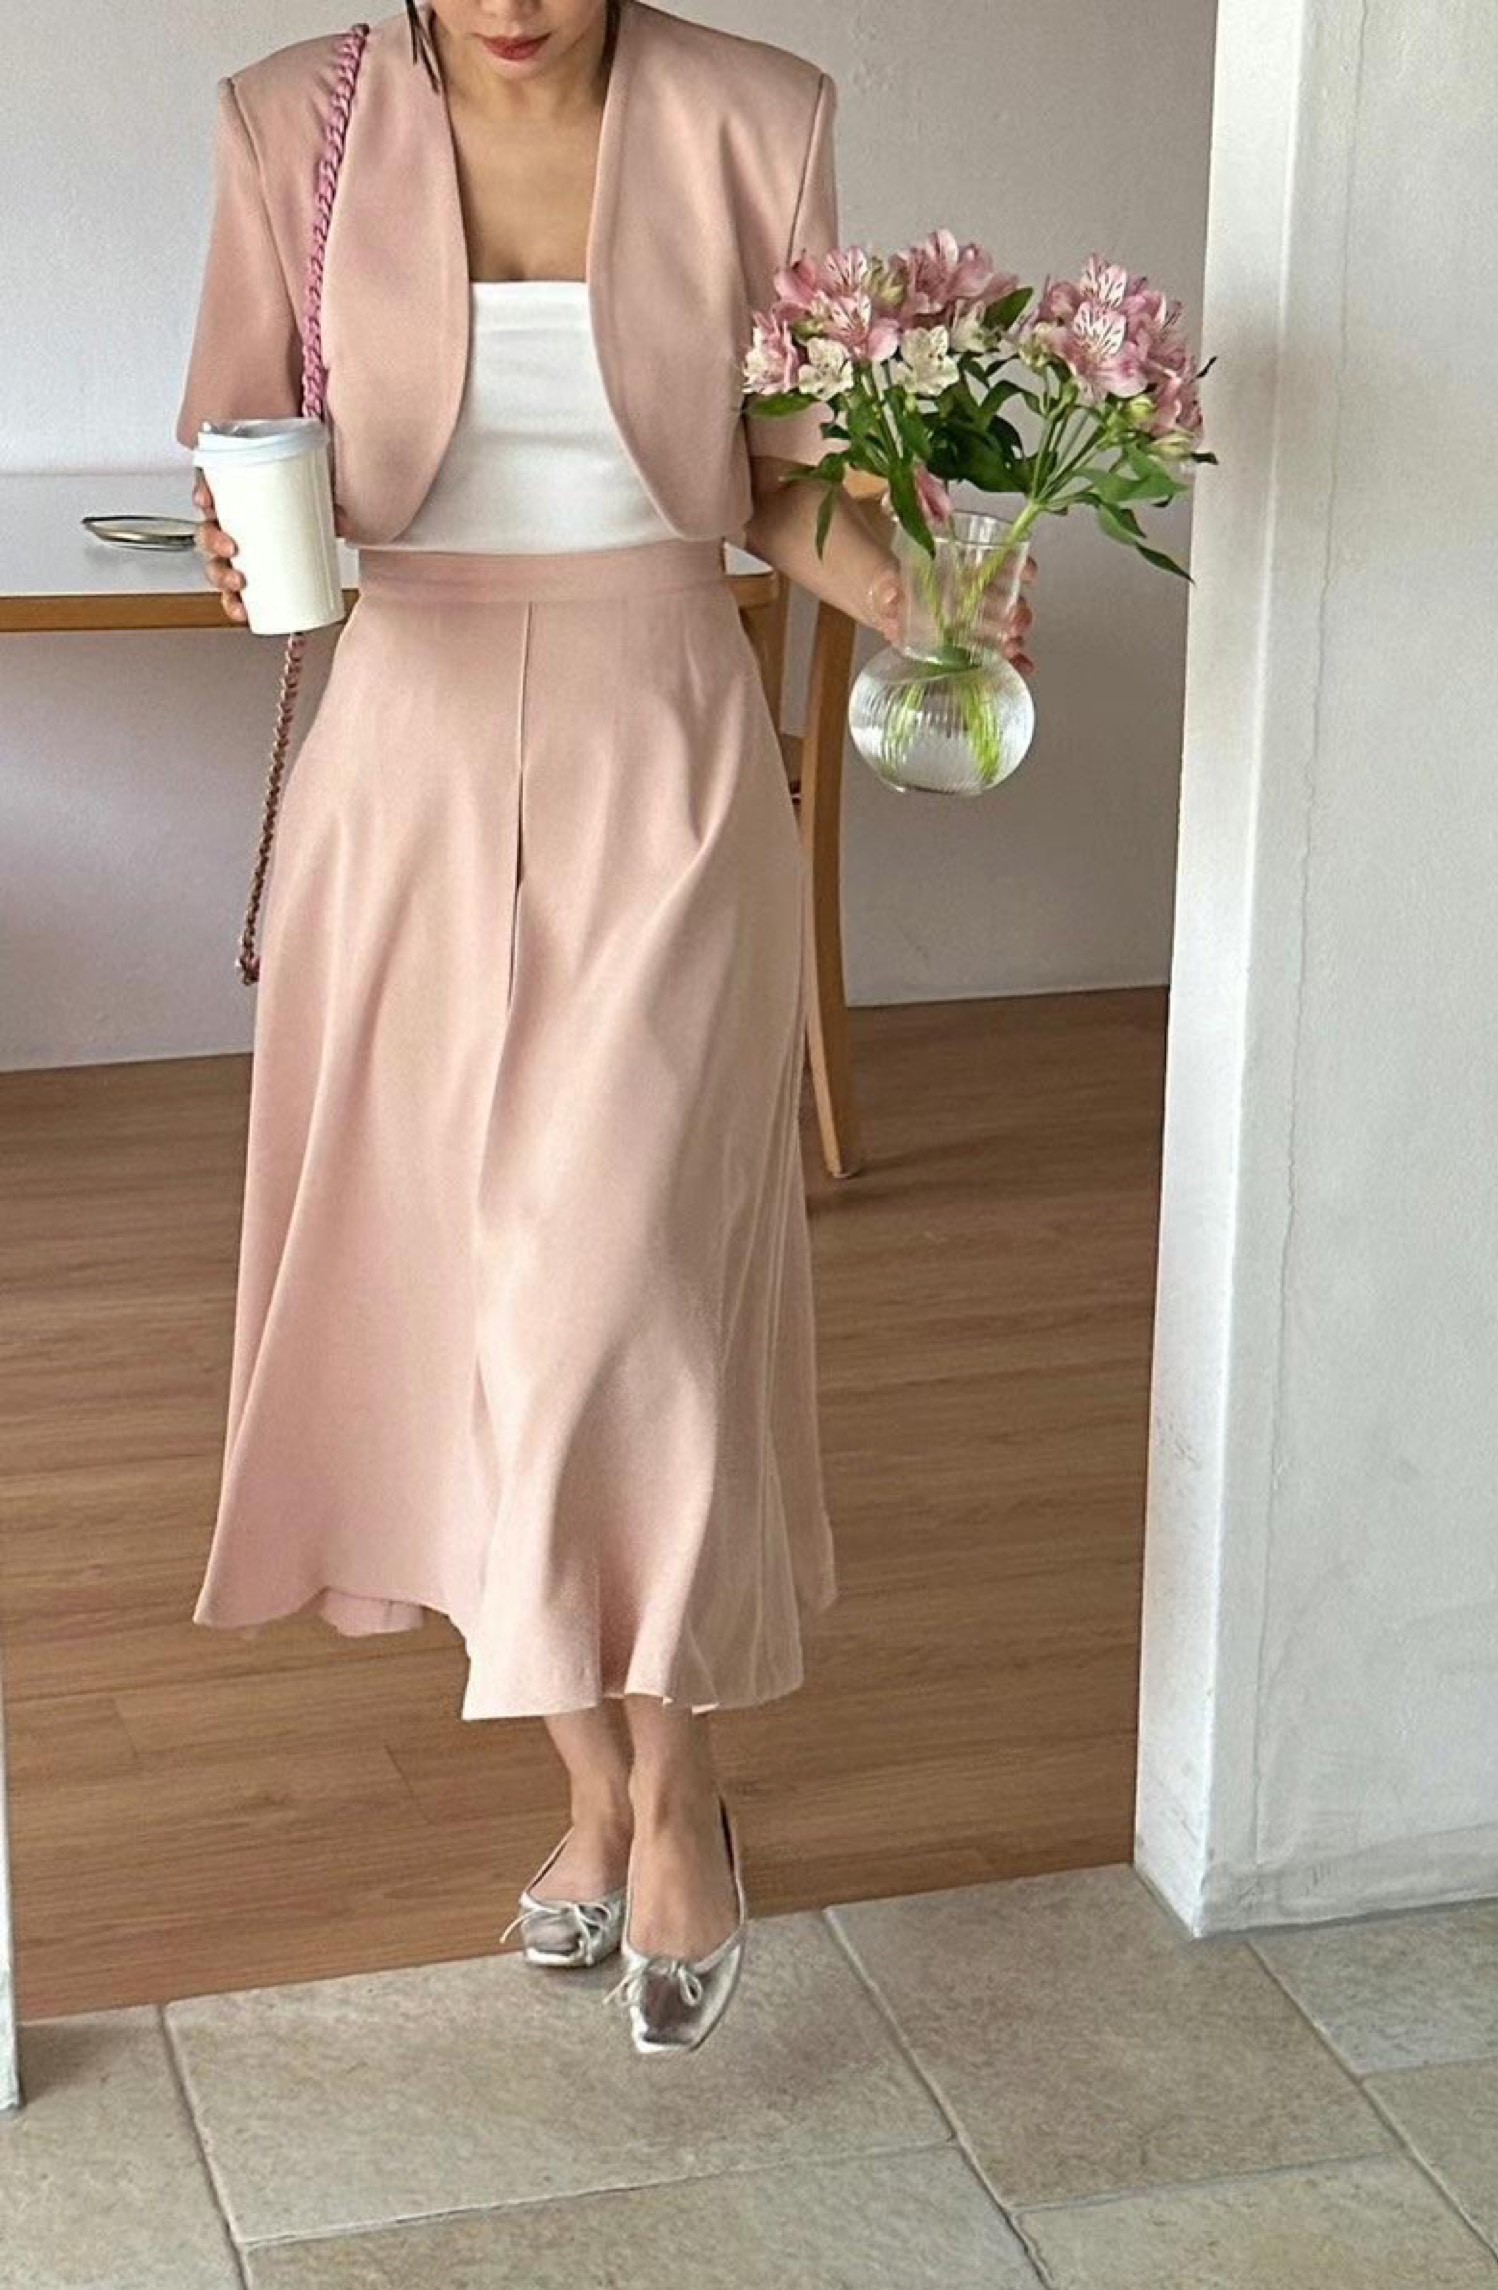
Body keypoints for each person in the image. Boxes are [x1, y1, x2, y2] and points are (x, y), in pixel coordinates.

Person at [178, 0, 1038, 2055]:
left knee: (620, 1284)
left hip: (662, 743)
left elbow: (785, 492)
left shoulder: (759, 117)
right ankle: (599, 1792)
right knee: (457, 1310)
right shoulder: (290, 121)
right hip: (403, 759)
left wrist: (923, 598)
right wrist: (234, 542)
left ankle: (680, 1790)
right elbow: (238, 449)